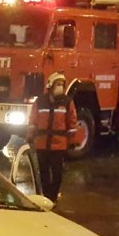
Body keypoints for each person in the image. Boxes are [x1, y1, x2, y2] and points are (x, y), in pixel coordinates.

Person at [27, 71, 79, 201]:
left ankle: (53, 197)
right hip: (42, 143)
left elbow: (72, 122)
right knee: (43, 172)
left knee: (57, 173)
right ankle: (46, 197)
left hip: (59, 145)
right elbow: (33, 120)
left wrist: (72, 141)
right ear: (50, 85)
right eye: (58, 84)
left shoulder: (67, 102)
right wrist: (30, 136)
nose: (60, 87)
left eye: (62, 84)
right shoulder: (40, 102)